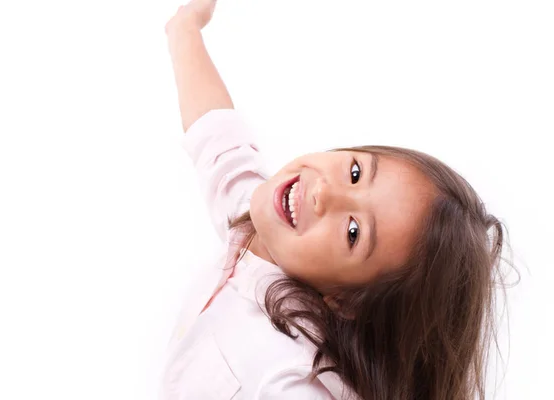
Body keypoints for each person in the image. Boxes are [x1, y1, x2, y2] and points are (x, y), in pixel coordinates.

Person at [160, 1, 508, 399]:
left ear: (345, 301)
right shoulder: (266, 235)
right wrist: (185, 29)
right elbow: (219, 142)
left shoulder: (288, 378)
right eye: (356, 173)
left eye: (354, 232)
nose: (325, 193)